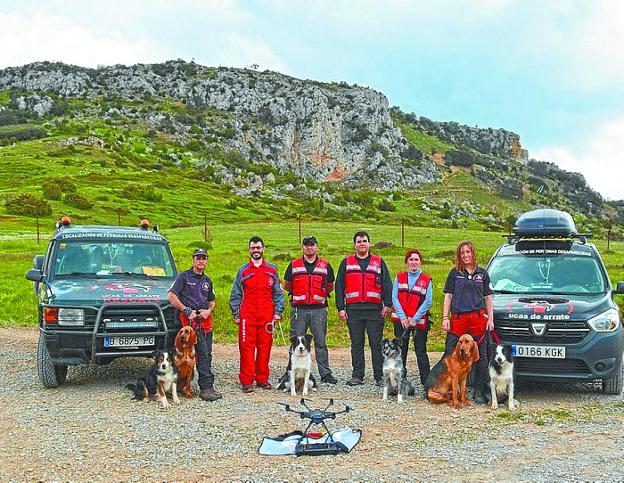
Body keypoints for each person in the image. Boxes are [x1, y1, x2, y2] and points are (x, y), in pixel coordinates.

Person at [335, 231, 393, 386]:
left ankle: (379, 376)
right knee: (356, 343)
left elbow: (387, 284)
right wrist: (341, 308)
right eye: (359, 241)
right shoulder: (346, 263)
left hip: (374, 310)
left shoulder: (378, 262)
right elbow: (339, 286)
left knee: (376, 343)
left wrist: (387, 305)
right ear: (354, 244)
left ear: (369, 244)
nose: (362, 243)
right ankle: (357, 375)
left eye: (365, 241)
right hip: (353, 310)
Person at [229, 236, 285, 393]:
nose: (256, 250)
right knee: (246, 348)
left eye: (258, 247)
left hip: (267, 316)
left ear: (263, 249)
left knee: (265, 347)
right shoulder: (243, 270)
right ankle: (246, 381)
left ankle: (262, 379)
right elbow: (236, 294)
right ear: (249, 250)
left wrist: (277, 312)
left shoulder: (272, 270)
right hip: (248, 315)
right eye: (253, 248)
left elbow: (278, 294)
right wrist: (236, 313)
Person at [442, 240, 494, 404]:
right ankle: (446, 388)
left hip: (478, 319)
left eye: (468, 252)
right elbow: (448, 296)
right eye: (462, 252)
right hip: (458, 319)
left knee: (481, 357)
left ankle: (479, 390)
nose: (465, 255)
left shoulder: (483, 274)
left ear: (473, 253)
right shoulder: (454, 274)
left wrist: (490, 318)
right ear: (459, 255)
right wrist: (445, 318)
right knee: (451, 353)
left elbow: (488, 297)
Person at [167, 248, 222, 402]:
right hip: (189, 324)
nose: (201, 261)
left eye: (203, 258)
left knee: (207, 354)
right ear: (193, 260)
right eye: (198, 258)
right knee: (198, 353)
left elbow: (212, 301)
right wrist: (185, 310)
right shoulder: (183, 277)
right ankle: (205, 387)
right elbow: (171, 296)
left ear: (206, 260)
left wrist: (208, 311)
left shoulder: (207, 281)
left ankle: (199, 385)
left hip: (204, 322)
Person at [283, 236, 337, 385]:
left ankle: (325, 373)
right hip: (299, 309)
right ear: (302, 248)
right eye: (306, 245)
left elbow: (330, 286)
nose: (309, 248)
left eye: (312, 245)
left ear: (317, 247)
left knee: (320, 342)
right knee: (295, 342)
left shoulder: (325, 266)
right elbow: (287, 285)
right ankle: (290, 370)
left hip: (318, 309)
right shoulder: (294, 265)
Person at [390, 248, 432, 386]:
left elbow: (428, 301)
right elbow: (394, 297)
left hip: (418, 322)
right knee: (401, 351)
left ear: (420, 262)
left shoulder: (426, 280)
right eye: (411, 259)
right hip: (401, 321)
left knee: (420, 351)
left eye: (416, 259)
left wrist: (414, 319)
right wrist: (403, 317)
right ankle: (400, 381)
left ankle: (427, 383)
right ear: (407, 261)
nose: (413, 262)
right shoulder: (399, 277)